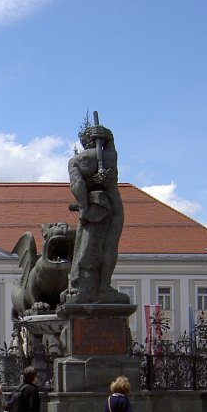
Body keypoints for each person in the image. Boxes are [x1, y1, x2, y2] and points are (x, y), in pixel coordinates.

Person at [66, 118, 127, 304]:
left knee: (85, 244)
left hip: (92, 205)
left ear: (85, 142)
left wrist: (84, 207)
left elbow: (77, 184)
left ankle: (84, 284)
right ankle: (104, 286)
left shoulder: (76, 161)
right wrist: (109, 136)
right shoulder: (110, 156)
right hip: (112, 204)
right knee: (110, 245)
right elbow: (112, 147)